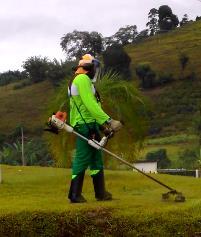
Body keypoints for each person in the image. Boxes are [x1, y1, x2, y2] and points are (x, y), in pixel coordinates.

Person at [68, 54, 122, 203]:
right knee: (82, 158)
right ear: (89, 68)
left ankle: (100, 193)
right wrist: (109, 121)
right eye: (95, 68)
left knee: (96, 159)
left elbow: (91, 106)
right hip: (83, 125)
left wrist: (101, 126)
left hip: (90, 124)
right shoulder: (82, 79)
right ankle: (74, 194)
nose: (95, 72)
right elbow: (89, 104)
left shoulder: (79, 79)